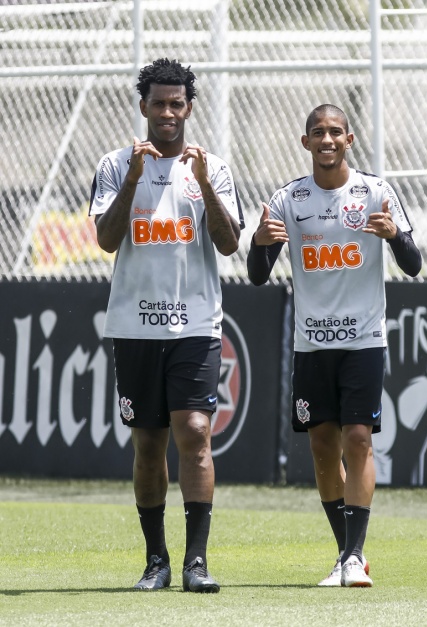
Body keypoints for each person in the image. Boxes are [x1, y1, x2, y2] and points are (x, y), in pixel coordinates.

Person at [247, 104, 422, 588]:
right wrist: (260, 244)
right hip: (311, 346)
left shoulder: (375, 192)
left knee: (358, 439)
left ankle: (353, 554)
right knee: (323, 447)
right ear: (305, 142)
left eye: (335, 133)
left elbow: (414, 263)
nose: (327, 140)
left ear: (349, 139)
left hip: (364, 341)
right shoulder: (289, 199)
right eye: (317, 133)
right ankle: (345, 554)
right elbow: (258, 277)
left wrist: (393, 238)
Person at [89, 58, 243, 592]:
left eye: (177, 103)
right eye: (159, 103)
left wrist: (203, 183)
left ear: (190, 108)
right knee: (148, 445)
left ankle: (195, 563)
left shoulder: (213, 168)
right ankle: (156, 560)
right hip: (133, 326)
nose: (169, 112)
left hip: (195, 325)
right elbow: (108, 239)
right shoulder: (114, 165)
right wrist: (134, 176)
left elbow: (228, 244)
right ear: (143, 108)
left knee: (195, 432)